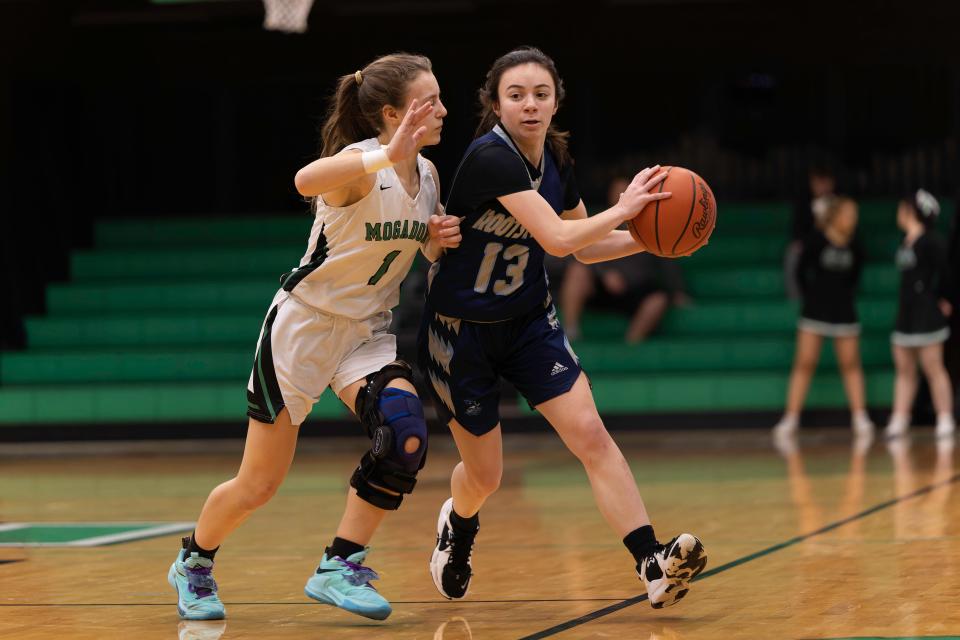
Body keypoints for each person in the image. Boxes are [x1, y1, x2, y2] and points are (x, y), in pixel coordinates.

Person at [168, 53, 460, 622]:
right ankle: (194, 562)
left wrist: (434, 237)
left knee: (404, 433)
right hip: (302, 330)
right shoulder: (359, 163)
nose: (444, 110)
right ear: (393, 113)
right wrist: (385, 154)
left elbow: (408, 243)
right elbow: (304, 179)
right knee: (258, 485)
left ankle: (340, 564)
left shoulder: (426, 175)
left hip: (365, 332)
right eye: (431, 101)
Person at [417, 47, 707, 609]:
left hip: (528, 322)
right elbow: (557, 239)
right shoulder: (489, 159)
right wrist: (627, 210)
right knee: (485, 477)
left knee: (592, 436)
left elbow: (587, 244)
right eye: (517, 95)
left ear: (556, 101)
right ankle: (458, 525)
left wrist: (654, 241)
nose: (530, 105)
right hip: (462, 333)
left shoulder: (556, 160)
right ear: (495, 104)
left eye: (540, 94)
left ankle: (652, 562)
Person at [772, 196, 874, 443]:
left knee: (851, 363)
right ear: (835, 216)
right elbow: (799, 271)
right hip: (815, 311)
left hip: (844, 310)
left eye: (854, 216)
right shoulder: (815, 240)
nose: (853, 220)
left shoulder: (856, 246)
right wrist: (811, 296)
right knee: (804, 362)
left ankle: (860, 417)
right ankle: (791, 417)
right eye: (849, 215)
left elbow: (856, 276)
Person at [561, 176, 692, 343]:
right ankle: (570, 331)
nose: (620, 196)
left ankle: (630, 346)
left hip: (636, 290)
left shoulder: (652, 222)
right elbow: (579, 250)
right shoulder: (600, 220)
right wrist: (605, 273)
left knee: (657, 299)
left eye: (623, 192)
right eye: (616, 193)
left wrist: (677, 290)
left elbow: (665, 258)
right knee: (577, 271)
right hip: (604, 286)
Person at [885, 189, 955, 438]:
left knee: (933, 367)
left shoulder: (932, 241)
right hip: (906, 312)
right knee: (904, 369)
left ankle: (945, 416)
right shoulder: (904, 240)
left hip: (926, 313)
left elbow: (946, 273)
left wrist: (945, 299)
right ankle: (900, 416)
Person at [784, 167, 837, 300]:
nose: (822, 187)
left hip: (832, 244)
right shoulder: (803, 203)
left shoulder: (840, 203)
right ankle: (797, 299)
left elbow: (846, 230)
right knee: (792, 254)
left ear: (832, 183)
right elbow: (797, 230)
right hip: (809, 244)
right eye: (818, 183)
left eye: (825, 183)